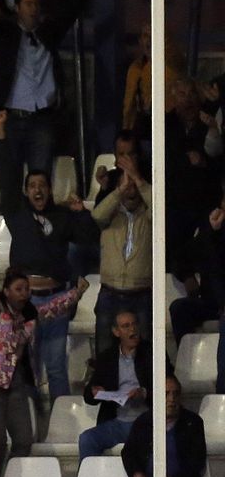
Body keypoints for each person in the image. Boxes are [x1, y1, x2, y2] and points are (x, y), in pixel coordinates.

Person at [0, 0, 93, 204]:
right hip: (11, 118)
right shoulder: (6, 33)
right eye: (28, 4)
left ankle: (40, 228)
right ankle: (15, 228)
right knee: (10, 178)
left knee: (40, 179)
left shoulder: (48, 33)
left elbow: (70, 11)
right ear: (17, 8)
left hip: (41, 118)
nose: (33, 9)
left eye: (36, 4)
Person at [0, 263, 84, 477]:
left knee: (24, 439)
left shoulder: (30, 313)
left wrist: (77, 292)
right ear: (7, 291)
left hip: (16, 384)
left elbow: (54, 307)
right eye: (19, 289)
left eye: (26, 289)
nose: (25, 293)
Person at [3, 169, 96, 397]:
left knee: (56, 366)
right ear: (26, 191)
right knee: (28, 367)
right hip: (25, 302)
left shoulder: (63, 215)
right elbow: (7, 169)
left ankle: (60, 421)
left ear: (50, 190)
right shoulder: (17, 214)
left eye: (42, 185)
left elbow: (89, 237)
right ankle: (31, 422)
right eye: (32, 185)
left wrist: (81, 213)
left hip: (57, 298)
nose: (38, 190)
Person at [116, 374, 205, 477]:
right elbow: (128, 452)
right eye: (166, 394)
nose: (172, 399)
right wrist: (136, 474)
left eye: (175, 393)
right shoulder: (143, 421)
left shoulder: (193, 422)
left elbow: (197, 460)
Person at [91, 153, 153, 357]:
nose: (130, 187)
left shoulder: (149, 215)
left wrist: (139, 179)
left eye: (133, 183)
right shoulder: (110, 214)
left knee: (144, 354)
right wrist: (119, 190)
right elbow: (96, 215)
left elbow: (162, 210)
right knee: (104, 352)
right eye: (126, 183)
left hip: (141, 294)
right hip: (110, 294)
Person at [78, 311, 152, 458]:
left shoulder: (152, 352)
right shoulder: (107, 357)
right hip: (117, 422)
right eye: (126, 326)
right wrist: (96, 392)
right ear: (116, 332)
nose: (132, 330)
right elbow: (88, 396)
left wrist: (143, 393)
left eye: (134, 324)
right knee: (87, 439)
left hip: (147, 421)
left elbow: (169, 383)